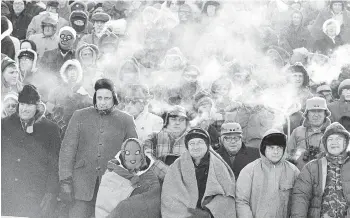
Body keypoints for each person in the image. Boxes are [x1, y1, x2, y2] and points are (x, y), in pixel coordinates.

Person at [59, 78, 137, 218]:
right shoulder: (79, 116)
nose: (102, 102)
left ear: (114, 98)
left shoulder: (126, 120)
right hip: (81, 186)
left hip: (112, 188)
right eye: (99, 98)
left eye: (107, 98)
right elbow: (67, 150)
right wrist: (65, 181)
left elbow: (133, 156)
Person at [1, 84, 61, 217]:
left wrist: (51, 193)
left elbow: (55, 165)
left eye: (29, 105)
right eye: (21, 104)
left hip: (36, 196)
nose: (24, 108)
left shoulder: (51, 129)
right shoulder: (4, 125)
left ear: (37, 107)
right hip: (8, 194)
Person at [161, 128, 236, 218]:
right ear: (187, 146)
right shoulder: (177, 166)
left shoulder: (218, 165)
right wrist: (187, 214)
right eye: (192, 143)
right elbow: (170, 194)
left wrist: (209, 212)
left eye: (200, 142)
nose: (196, 147)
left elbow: (227, 193)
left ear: (207, 145)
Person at [236, 129, 300, 218]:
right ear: (264, 149)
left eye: (279, 148)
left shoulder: (293, 171)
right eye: (271, 148)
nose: (276, 152)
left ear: (284, 149)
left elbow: (299, 201)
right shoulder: (249, 170)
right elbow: (241, 201)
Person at [291, 122, 350, 217]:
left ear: (345, 142)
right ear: (325, 144)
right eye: (330, 139)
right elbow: (301, 196)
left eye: (338, 139)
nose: (334, 142)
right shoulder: (312, 167)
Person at [95, 138, 161, 218]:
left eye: (137, 152)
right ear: (123, 154)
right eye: (127, 153)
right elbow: (102, 204)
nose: (132, 157)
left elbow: (153, 199)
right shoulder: (111, 172)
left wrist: (124, 207)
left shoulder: (149, 175)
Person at [46, 59, 92, 137]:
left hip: (79, 131)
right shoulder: (56, 91)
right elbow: (49, 112)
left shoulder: (85, 91)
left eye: (75, 70)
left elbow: (91, 112)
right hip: (59, 130)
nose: (72, 72)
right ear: (65, 72)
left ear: (79, 73)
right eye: (70, 70)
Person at [143, 105, 189, 179]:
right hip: (158, 183)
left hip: (184, 183)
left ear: (186, 122)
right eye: (173, 119)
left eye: (181, 120)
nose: (177, 123)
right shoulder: (154, 136)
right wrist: (166, 172)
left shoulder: (192, 138)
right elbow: (146, 156)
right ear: (167, 121)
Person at [287, 97, 332, 170]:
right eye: (313, 111)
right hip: (300, 176)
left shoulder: (333, 133)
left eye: (320, 111)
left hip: (325, 177)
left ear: (325, 114)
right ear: (307, 114)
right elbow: (288, 157)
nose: (316, 115)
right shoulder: (297, 132)